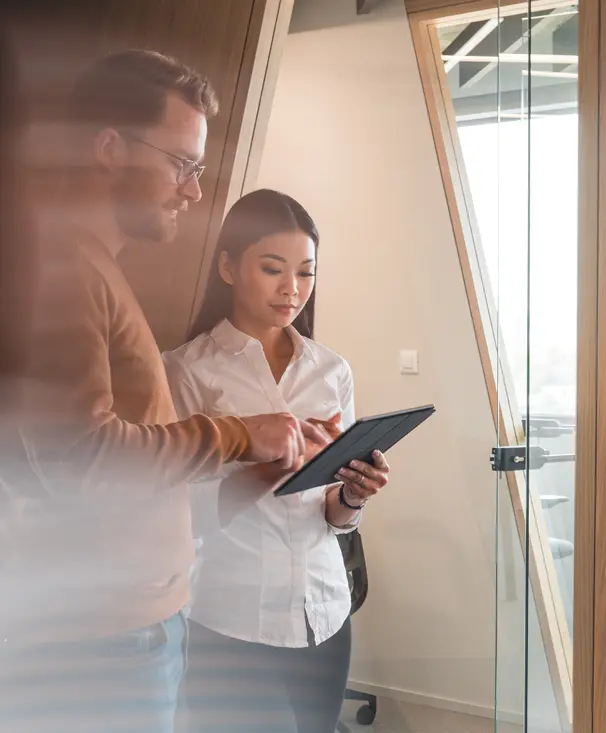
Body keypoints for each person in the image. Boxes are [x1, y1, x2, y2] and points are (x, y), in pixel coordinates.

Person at [0, 51, 328, 733]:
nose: (193, 191)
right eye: (182, 164)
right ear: (110, 148)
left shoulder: (93, 269)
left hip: (134, 626)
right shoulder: (64, 269)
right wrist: (240, 433)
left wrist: (264, 466)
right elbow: (84, 461)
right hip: (104, 641)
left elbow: (141, 482)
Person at [163, 189, 391, 733]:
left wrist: (353, 495)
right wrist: (271, 468)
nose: (292, 289)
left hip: (324, 611)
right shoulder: (187, 370)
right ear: (227, 266)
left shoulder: (332, 371)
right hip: (232, 618)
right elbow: (183, 512)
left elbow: (329, 515)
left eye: (306, 273)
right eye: (273, 269)